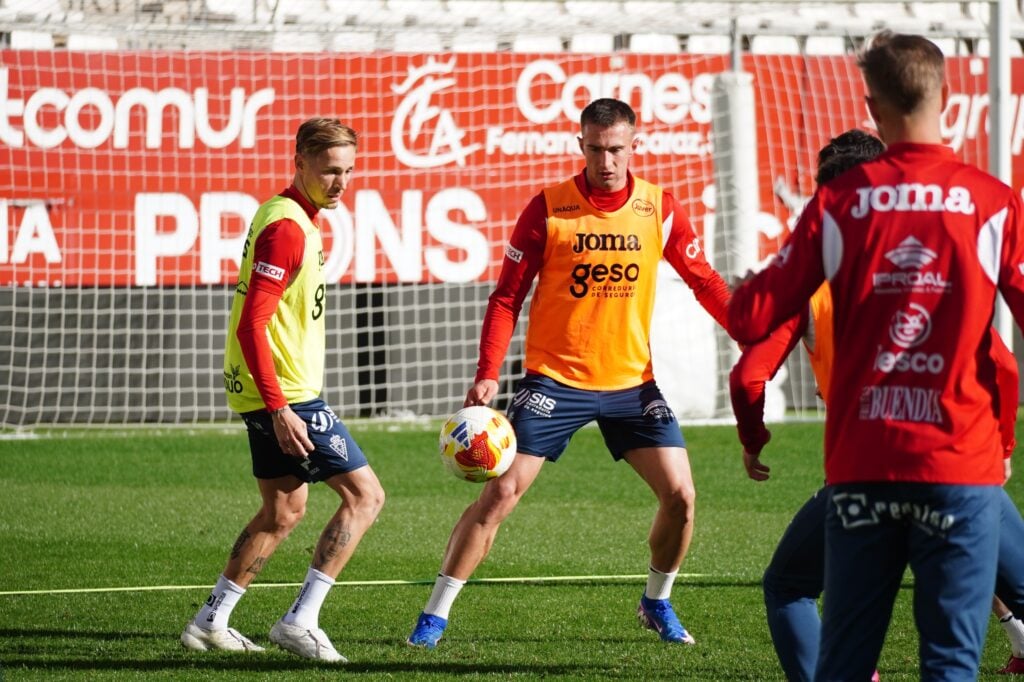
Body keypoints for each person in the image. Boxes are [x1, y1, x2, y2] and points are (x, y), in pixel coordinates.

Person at [728, 32, 1024, 680]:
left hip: (862, 468)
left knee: (845, 662)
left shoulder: (838, 204)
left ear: (871, 104)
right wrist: (1001, 439)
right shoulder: (992, 201)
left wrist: (778, 264)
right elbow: (1007, 355)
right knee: (949, 664)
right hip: (958, 465)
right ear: (947, 96)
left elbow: (747, 315)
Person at [405, 97, 733, 649]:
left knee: (681, 495)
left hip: (632, 385)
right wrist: (488, 372)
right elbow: (507, 297)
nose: (607, 161)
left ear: (635, 146)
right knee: (502, 491)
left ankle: (656, 601)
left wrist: (753, 336)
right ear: (580, 145)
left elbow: (705, 282)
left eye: (617, 150)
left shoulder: (661, 208)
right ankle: (434, 616)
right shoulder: (549, 208)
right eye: (597, 149)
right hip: (554, 383)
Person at [180, 118, 385, 663]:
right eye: (328, 171)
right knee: (366, 497)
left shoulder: (291, 216)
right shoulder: (288, 227)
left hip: (266, 391)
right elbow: (252, 322)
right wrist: (279, 408)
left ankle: (210, 620)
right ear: (299, 162)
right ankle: (301, 619)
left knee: (283, 511)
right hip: (285, 394)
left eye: (347, 171)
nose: (340, 182)